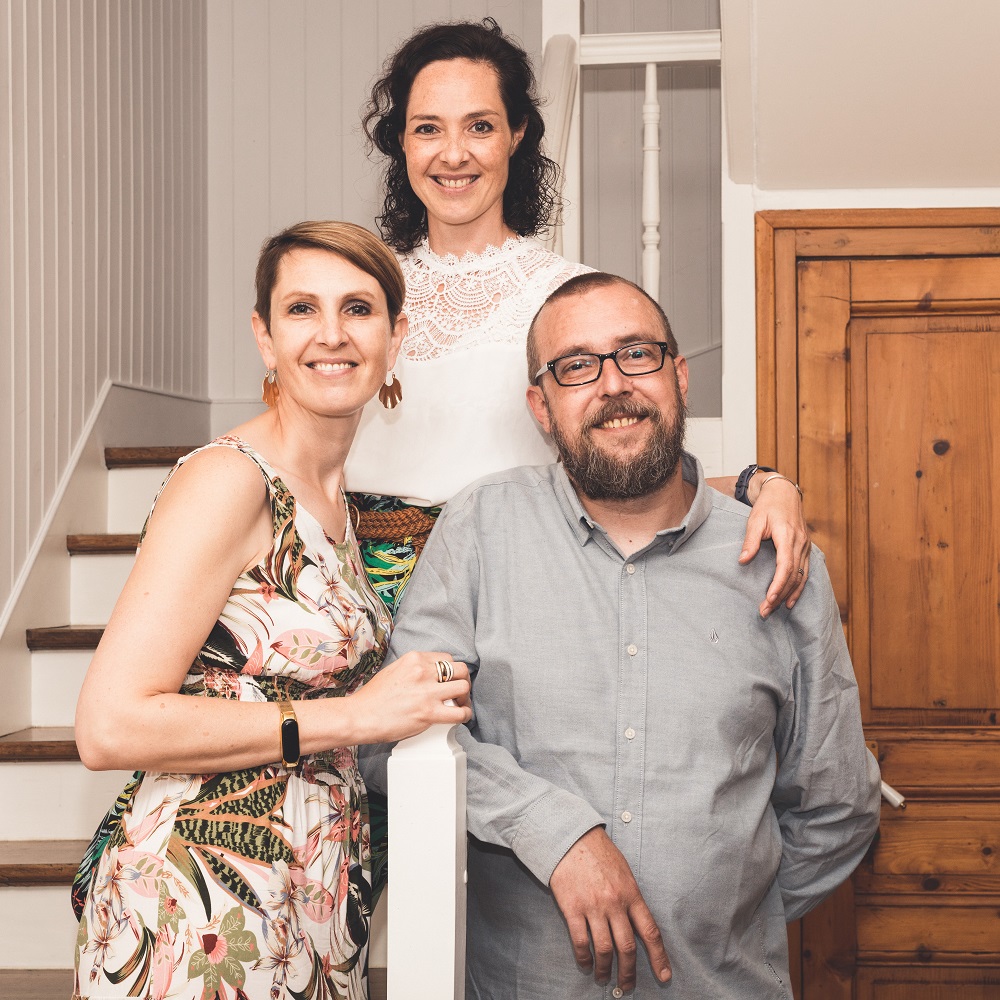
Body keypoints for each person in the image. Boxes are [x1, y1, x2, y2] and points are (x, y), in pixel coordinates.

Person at [371, 272, 882, 999]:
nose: (612, 384)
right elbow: (397, 742)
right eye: (576, 366)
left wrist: (719, 910)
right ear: (541, 407)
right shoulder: (481, 531)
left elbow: (836, 805)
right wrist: (555, 833)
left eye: (636, 354)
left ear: (678, 376)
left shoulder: (779, 559)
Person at [71, 221, 472, 1000]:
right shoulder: (230, 480)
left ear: (396, 339)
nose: (332, 334)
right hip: (202, 908)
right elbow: (109, 726)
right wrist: (356, 717)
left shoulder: (342, 503)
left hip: (308, 900)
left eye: (359, 309)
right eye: (301, 310)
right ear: (264, 337)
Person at [347, 18, 810, 621]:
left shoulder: (571, 300)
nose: (453, 153)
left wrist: (763, 484)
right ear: (401, 142)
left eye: (480, 126)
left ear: (516, 135)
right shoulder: (357, 293)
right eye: (428, 128)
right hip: (350, 601)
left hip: (509, 598)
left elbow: (635, 478)